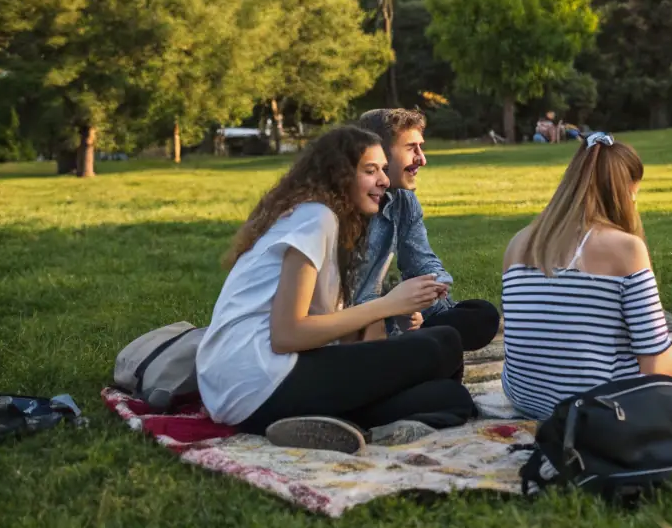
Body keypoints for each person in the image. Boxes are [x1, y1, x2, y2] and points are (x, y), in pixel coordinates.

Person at [196, 126, 477, 453]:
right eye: (370, 171)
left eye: (384, 170)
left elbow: (335, 338)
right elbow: (287, 334)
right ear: (338, 175)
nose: (384, 181)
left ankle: (326, 423)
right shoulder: (316, 218)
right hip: (260, 377)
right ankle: (334, 418)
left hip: (245, 396)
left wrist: (390, 322)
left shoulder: (322, 220)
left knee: (451, 397)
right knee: (443, 343)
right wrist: (388, 305)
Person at [500, 132, 672, 419]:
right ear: (629, 190)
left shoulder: (518, 242)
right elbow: (655, 364)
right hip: (595, 408)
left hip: (524, 396)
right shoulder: (625, 248)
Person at [352, 108, 500, 349]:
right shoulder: (338, 213)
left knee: (481, 316)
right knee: (442, 353)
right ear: (378, 152)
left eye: (421, 147)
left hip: (389, 318)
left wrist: (431, 288)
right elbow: (342, 302)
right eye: (412, 148)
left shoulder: (403, 201)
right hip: (352, 333)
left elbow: (421, 262)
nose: (422, 159)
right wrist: (395, 306)